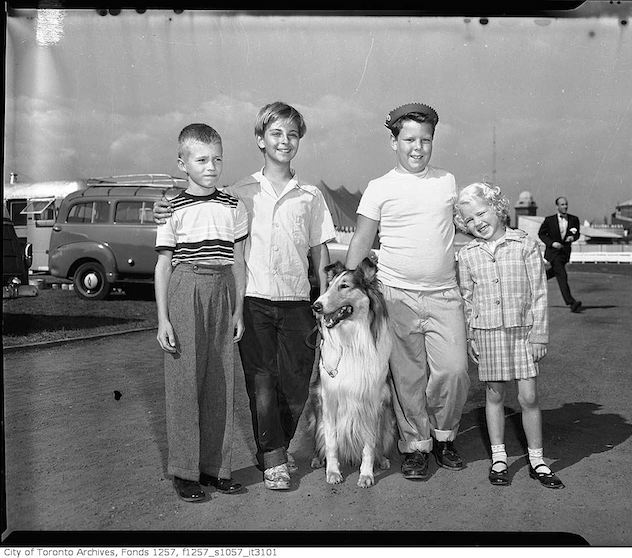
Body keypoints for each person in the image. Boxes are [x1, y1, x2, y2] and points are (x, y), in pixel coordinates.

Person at [155, 102, 335, 491]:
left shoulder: (311, 196)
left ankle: (276, 445)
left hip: (298, 300)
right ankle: (273, 459)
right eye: (275, 133)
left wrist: (324, 300)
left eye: (291, 134)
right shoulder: (239, 192)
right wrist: (164, 202)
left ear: (299, 140)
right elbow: (196, 198)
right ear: (260, 139)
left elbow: (319, 253)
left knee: (297, 382)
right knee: (262, 382)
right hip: (253, 299)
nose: (284, 141)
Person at [345, 102, 470, 480]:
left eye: (426, 140)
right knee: (408, 377)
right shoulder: (380, 188)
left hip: (445, 294)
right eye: (409, 139)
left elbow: (468, 226)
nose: (418, 147)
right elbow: (361, 243)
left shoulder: (447, 182)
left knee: (453, 370)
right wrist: (344, 294)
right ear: (394, 141)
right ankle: (416, 446)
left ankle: (444, 436)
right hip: (395, 295)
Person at [155, 123, 248, 502]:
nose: (211, 166)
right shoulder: (171, 207)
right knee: (183, 382)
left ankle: (215, 469)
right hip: (185, 287)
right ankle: (184, 472)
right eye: (201, 159)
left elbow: (240, 262)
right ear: (183, 163)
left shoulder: (234, 205)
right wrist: (162, 319)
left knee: (220, 382)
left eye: (217, 159)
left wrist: (238, 311)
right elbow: (163, 265)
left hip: (223, 288)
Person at [455, 182, 564, 489]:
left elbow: (539, 293)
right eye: (469, 219)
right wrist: (470, 337)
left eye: (481, 212)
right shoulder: (467, 254)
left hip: (522, 332)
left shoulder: (525, 243)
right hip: (487, 333)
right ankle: (499, 457)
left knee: (528, 396)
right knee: (494, 395)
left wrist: (539, 335)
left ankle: (537, 459)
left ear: (498, 209)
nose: (477, 222)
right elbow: (467, 299)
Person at [538, 196, 582, 312]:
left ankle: (536, 280)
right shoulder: (549, 220)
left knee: (555, 272)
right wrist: (552, 243)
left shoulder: (574, 219)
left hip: (564, 253)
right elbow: (541, 234)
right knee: (562, 275)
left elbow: (577, 233)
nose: (565, 206)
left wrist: (573, 237)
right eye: (562, 204)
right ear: (557, 206)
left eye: (566, 204)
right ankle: (571, 302)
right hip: (553, 253)